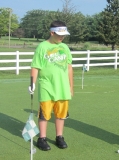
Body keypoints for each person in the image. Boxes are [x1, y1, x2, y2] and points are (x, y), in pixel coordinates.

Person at [28, 20, 73, 151]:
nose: (62, 37)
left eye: (64, 35)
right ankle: (42, 138)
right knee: (45, 114)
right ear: (51, 32)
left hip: (62, 87)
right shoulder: (42, 47)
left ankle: (59, 137)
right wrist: (32, 84)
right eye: (59, 34)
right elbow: (35, 66)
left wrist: (71, 87)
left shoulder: (65, 47)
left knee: (61, 114)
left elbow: (69, 68)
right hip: (46, 86)